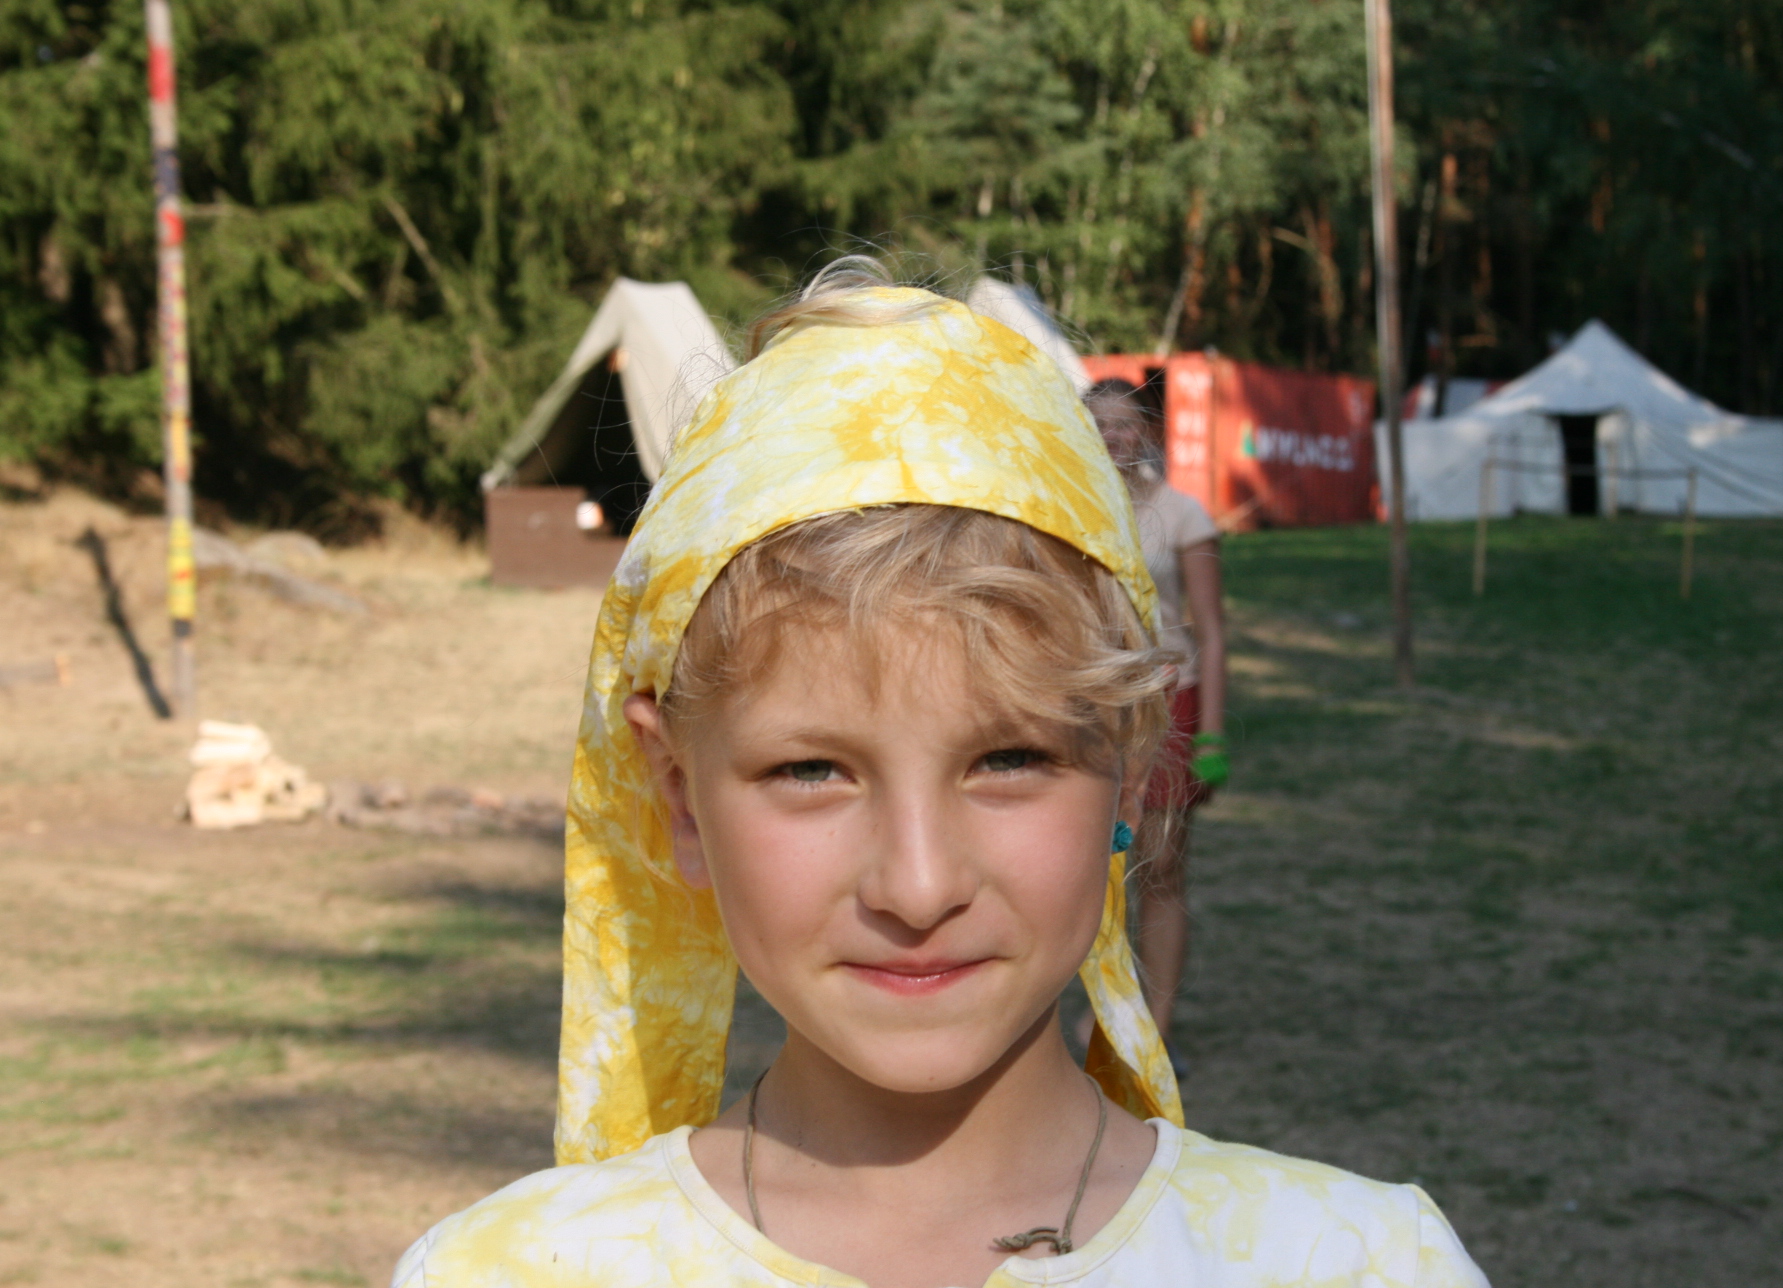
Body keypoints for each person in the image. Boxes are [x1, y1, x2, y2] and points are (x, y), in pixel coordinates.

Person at [391, 262, 1487, 1288]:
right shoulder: (500, 1272)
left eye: (1010, 758)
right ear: (677, 795)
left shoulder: (1360, 1263)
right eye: (811, 770)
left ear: (1129, 763)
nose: (917, 888)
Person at [1084, 378, 1225, 1040]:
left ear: (1146, 432)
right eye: (1098, 423)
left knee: (1160, 868)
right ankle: (1104, 1012)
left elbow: (1211, 631)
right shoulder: (1067, 506)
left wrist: (1213, 735)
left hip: (1169, 697)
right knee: (1087, 867)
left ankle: (1156, 1027)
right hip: (1090, 698)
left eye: (1124, 423)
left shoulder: (1183, 513)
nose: (1112, 435)